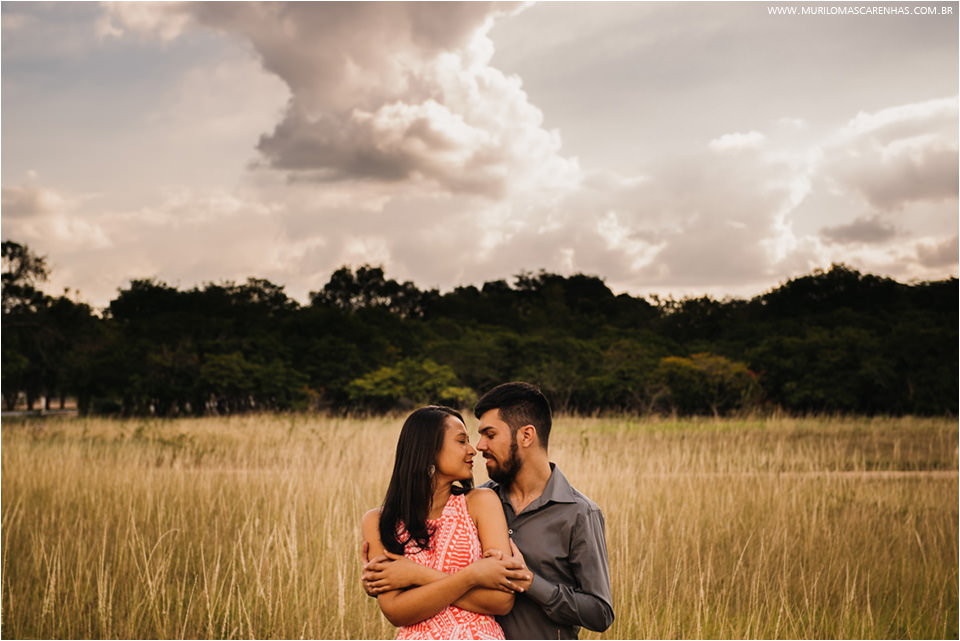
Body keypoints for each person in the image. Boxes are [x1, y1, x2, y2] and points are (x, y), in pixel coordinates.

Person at [363, 383, 614, 639]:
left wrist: (529, 581)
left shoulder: (579, 513)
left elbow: (600, 613)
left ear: (526, 436)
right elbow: (399, 600)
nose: (479, 446)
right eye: (474, 437)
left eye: (490, 435)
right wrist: (384, 580)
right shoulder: (477, 503)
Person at [360, 405, 531, 640]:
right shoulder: (378, 521)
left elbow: (501, 601)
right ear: (428, 450)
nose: (472, 450)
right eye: (461, 441)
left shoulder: (481, 503)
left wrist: (415, 575)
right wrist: (474, 576)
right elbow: (395, 611)